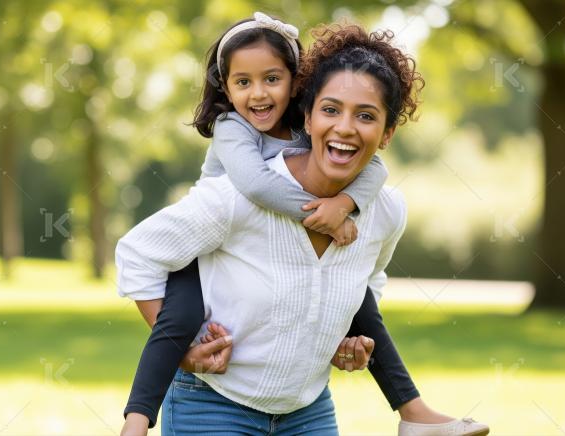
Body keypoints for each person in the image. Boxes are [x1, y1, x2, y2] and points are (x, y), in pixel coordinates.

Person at [117, 15, 489, 436]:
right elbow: (254, 186)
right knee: (178, 322)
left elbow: (369, 254)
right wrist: (321, 213)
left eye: (366, 116)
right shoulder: (232, 138)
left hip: (306, 409)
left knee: (361, 300)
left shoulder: (379, 207)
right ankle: (136, 421)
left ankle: (415, 413)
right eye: (242, 82)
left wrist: (335, 334)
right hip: (198, 269)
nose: (258, 93)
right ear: (311, 114)